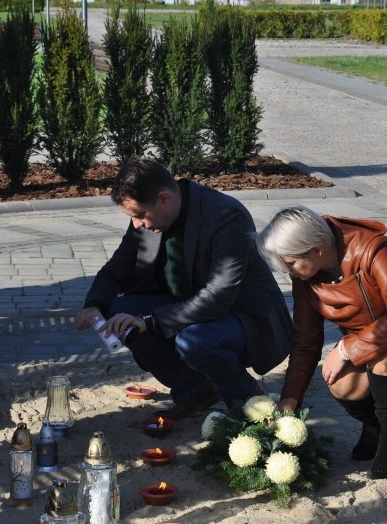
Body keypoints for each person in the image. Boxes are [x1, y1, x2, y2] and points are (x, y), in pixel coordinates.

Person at [75, 159, 293, 418]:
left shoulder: (226, 215)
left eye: (140, 215)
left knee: (194, 342)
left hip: (244, 317)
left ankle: (249, 403)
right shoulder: (149, 218)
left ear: (164, 199)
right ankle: (196, 388)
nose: (136, 225)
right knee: (118, 312)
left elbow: (218, 297)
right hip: (188, 309)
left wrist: (150, 321)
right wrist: (93, 305)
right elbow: (117, 268)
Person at [256, 206, 387, 479]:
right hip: (373, 350)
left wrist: (345, 348)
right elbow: (305, 342)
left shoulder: (372, 248)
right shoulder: (305, 275)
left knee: (384, 355)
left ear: (316, 250)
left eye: (290, 263)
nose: (287, 270)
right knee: (338, 379)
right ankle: (375, 428)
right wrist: (290, 399)